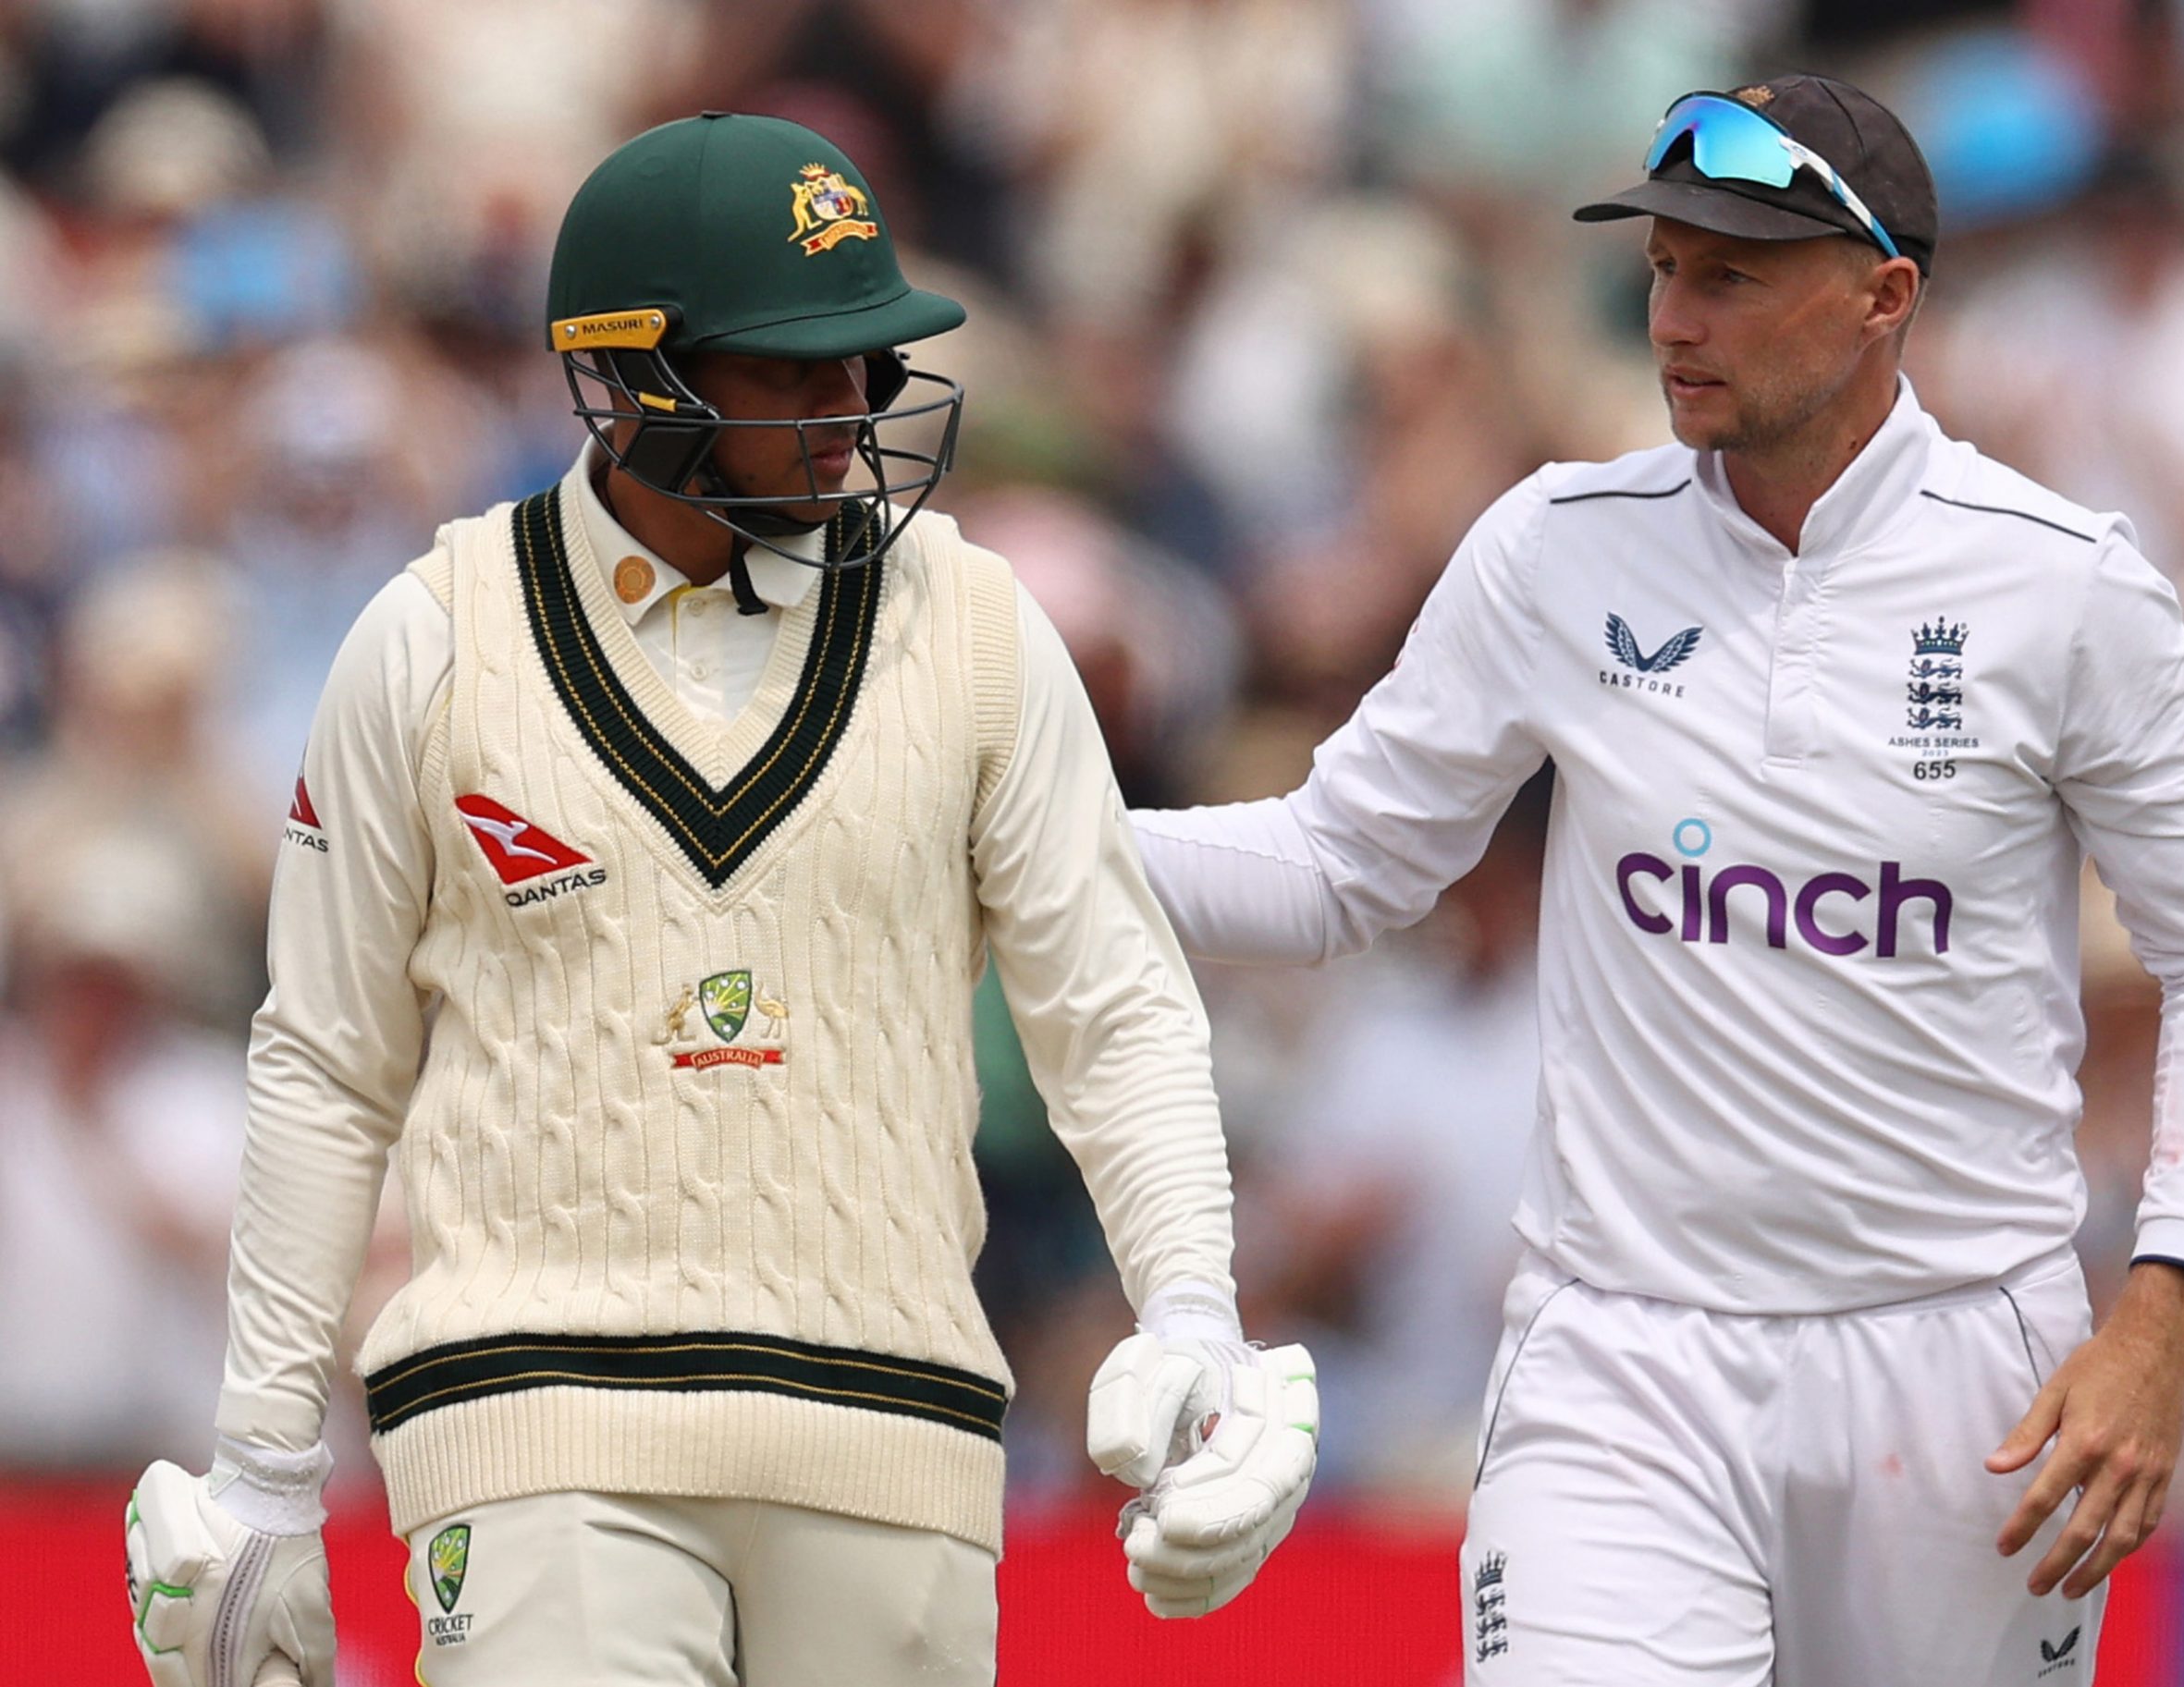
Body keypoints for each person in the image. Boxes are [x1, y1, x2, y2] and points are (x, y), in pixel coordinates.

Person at [122, 112, 1317, 1687]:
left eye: (869, 365)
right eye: (797, 366)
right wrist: (267, 1461)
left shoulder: (976, 627)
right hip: (539, 1420)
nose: (854, 409)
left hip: (895, 1426)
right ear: (633, 375)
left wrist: (1193, 1320)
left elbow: (1113, 1002)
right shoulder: (432, 641)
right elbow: (327, 1062)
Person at [1131, 75, 2184, 1685]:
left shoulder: (2067, 586)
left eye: (1732, 274)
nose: (1676, 315)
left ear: (1886, 294)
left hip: (1964, 1373)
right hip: (1622, 1356)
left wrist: (2160, 1325)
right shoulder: (1556, 545)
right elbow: (1337, 864)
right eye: (1666, 267)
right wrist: (1012, 851)